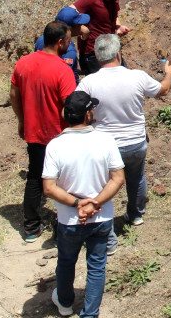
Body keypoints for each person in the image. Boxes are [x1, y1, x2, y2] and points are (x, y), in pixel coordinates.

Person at [76, 34, 171, 255]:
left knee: (103, 188)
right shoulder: (137, 77)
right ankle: (135, 214)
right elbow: (163, 90)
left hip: (105, 145)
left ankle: (107, 234)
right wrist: (168, 74)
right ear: (119, 55)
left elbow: (77, 108)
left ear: (96, 56)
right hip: (135, 142)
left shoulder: (89, 82)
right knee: (136, 177)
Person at [42, 91, 125, 317]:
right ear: (88, 114)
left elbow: (48, 187)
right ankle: (90, 314)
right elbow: (118, 178)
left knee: (67, 262)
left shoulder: (55, 146)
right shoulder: (105, 140)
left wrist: (78, 203)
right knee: (97, 267)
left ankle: (66, 303)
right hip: (101, 217)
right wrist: (94, 203)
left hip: (69, 219)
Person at [10, 21, 76, 242]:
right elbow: (70, 106)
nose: (70, 44)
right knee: (65, 181)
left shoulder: (23, 63)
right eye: (68, 40)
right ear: (60, 42)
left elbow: (13, 94)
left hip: (34, 133)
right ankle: (66, 225)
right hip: (59, 135)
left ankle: (30, 228)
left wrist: (22, 120)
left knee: (36, 177)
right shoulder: (62, 70)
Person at [71, 0, 131, 76]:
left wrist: (118, 26)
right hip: (92, 54)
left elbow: (114, 15)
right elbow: (68, 13)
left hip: (110, 49)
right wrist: (81, 28)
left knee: (126, 79)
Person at [34, 7, 90, 84]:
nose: (82, 26)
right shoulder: (68, 49)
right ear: (73, 27)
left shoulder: (42, 39)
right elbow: (64, 76)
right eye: (79, 24)